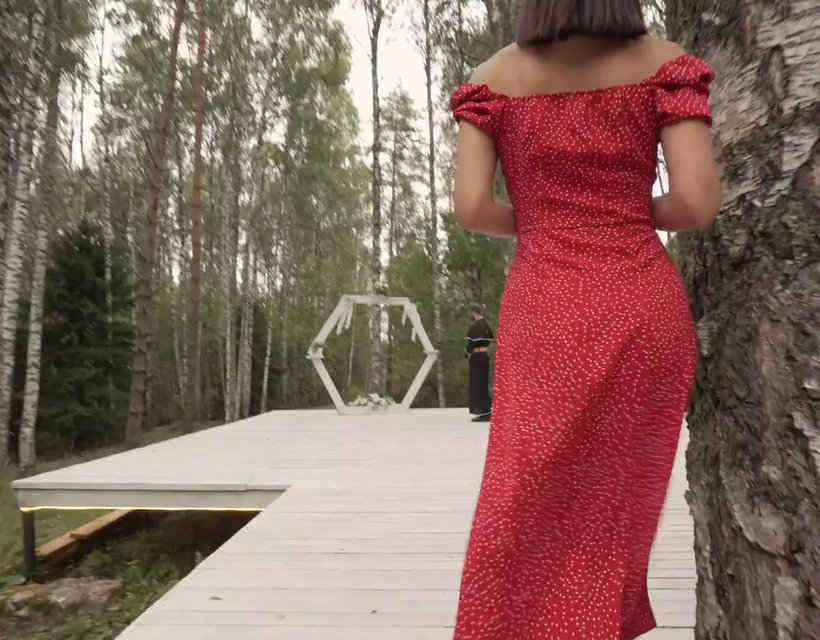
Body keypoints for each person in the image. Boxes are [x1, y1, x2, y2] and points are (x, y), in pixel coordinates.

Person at [448, 0, 721, 638]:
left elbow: (471, 207)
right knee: (613, 514)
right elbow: (697, 201)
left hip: (545, 311)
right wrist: (618, 208)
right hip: (639, 308)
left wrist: (549, 221)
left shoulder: (493, 81)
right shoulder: (666, 66)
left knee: (519, 502)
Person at [465, 303, 494, 423]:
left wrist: (466, 354)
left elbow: (472, 344)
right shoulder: (486, 326)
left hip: (476, 356)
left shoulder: (476, 326)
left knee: (477, 384)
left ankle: (484, 412)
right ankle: (485, 411)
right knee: (483, 383)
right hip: (484, 356)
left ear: (474, 312)